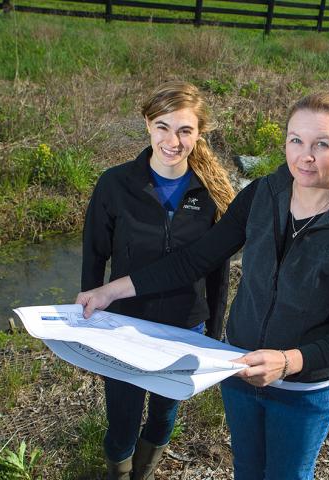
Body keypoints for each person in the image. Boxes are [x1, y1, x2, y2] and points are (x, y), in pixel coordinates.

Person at [77, 92, 329, 479]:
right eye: (296, 140)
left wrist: (286, 362)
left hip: (303, 391)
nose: (305, 156)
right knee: (246, 469)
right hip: (240, 370)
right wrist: (110, 290)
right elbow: (195, 260)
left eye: (321, 144)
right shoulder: (262, 194)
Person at [80, 81, 235, 480]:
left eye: (185, 130)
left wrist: (213, 334)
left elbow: (217, 271)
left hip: (185, 328)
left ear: (199, 133)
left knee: (164, 415)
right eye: (163, 127)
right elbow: (94, 254)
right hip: (124, 326)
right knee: (122, 420)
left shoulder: (210, 194)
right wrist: (85, 325)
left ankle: (145, 472)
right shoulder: (115, 184)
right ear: (147, 124)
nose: (173, 141)